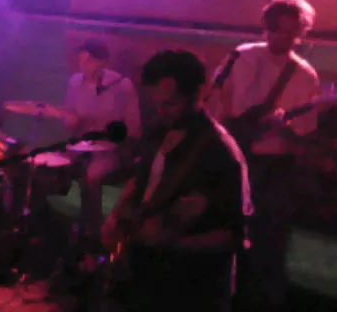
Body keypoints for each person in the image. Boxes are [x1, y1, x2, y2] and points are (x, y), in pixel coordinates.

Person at [102, 50, 252, 312]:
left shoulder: (221, 153)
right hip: (144, 275)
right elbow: (143, 180)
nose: (160, 111)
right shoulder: (159, 130)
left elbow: (233, 237)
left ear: (198, 94)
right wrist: (117, 216)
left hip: (189, 286)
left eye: (170, 104)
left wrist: (170, 241)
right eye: (155, 103)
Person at [210, 0, 320, 312]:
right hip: (231, 158)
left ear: (300, 32)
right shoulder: (240, 55)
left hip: (271, 168)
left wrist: (282, 128)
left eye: (287, 31)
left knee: (267, 245)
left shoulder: (304, 75)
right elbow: (217, 98)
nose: (278, 36)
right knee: (222, 233)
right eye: (273, 28)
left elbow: (304, 134)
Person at [63, 38, 142, 249]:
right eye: (81, 61)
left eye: (89, 61)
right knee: (49, 164)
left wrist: (113, 136)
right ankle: (54, 224)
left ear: (103, 62)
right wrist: (70, 122)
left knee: (92, 175)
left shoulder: (122, 86)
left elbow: (134, 127)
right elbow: (67, 115)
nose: (83, 66)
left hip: (109, 149)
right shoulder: (75, 82)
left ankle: (93, 232)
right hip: (79, 144)